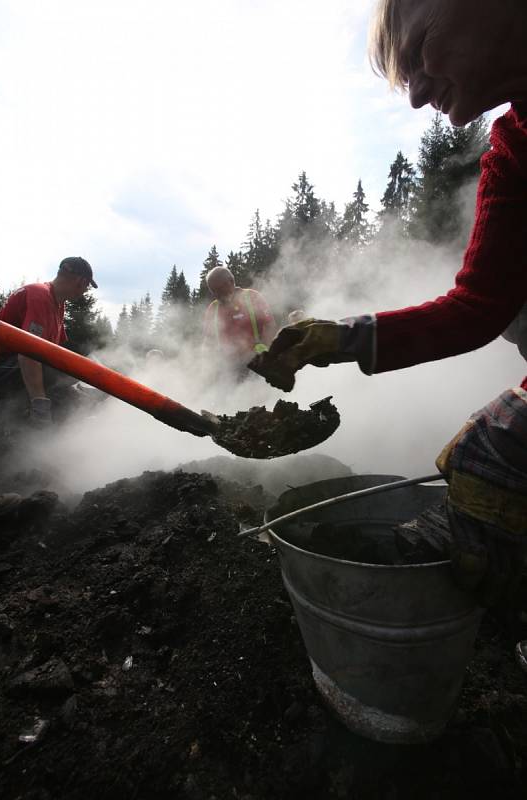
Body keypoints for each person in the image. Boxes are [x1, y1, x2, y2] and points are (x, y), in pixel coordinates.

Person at [250, 0, 527, 660]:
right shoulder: (514, 153)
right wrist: (339, 339)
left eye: (419, 52)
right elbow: (477, 306)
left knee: (496, 456)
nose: (415, 97)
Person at [0, 257, 98, 427]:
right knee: (66, 365)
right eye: (86, 286)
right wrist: (40, 405)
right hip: (1, 368)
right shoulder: (40, 296)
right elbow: (28, 353)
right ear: (81, 281)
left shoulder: (57, 304)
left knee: (70, 371)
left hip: (12, 366)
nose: (85, 291)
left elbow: (56, 350)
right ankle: (21, 425)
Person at [202, 266, 276, 377]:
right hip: (229, 369)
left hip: (257, 362)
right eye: (214, 291)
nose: (217, 294)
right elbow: (208, 341)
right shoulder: (212, 309)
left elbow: (269, 325)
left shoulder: (252, 297)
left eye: (220, 289)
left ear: (231, 282)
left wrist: (266, 353)